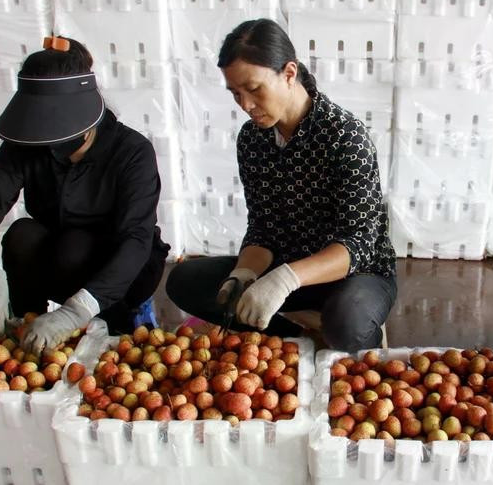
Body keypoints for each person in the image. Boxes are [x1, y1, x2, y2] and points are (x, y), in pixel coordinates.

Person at [166, 19, 397, 352]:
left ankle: (343, 329)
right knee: (185, 282)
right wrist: (244, 273)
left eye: (254, 89)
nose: (245, 105)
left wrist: (285, 279)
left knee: (349, 321)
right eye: (236, 93)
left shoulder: (345, 138)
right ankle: (297, 338)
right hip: (285, 270)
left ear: (289, 74)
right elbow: (264, 227)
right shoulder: (252, 139)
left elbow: (357, 245)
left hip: (354, 275)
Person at [0, 36, 169, 355]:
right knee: (22, 235)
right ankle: (25, 328)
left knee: (76, 248)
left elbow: (135, 241)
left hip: (122, 268)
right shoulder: (27, 145)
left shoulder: (132, 152)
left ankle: (115, 325)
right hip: (60, 258)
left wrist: (74, 313)